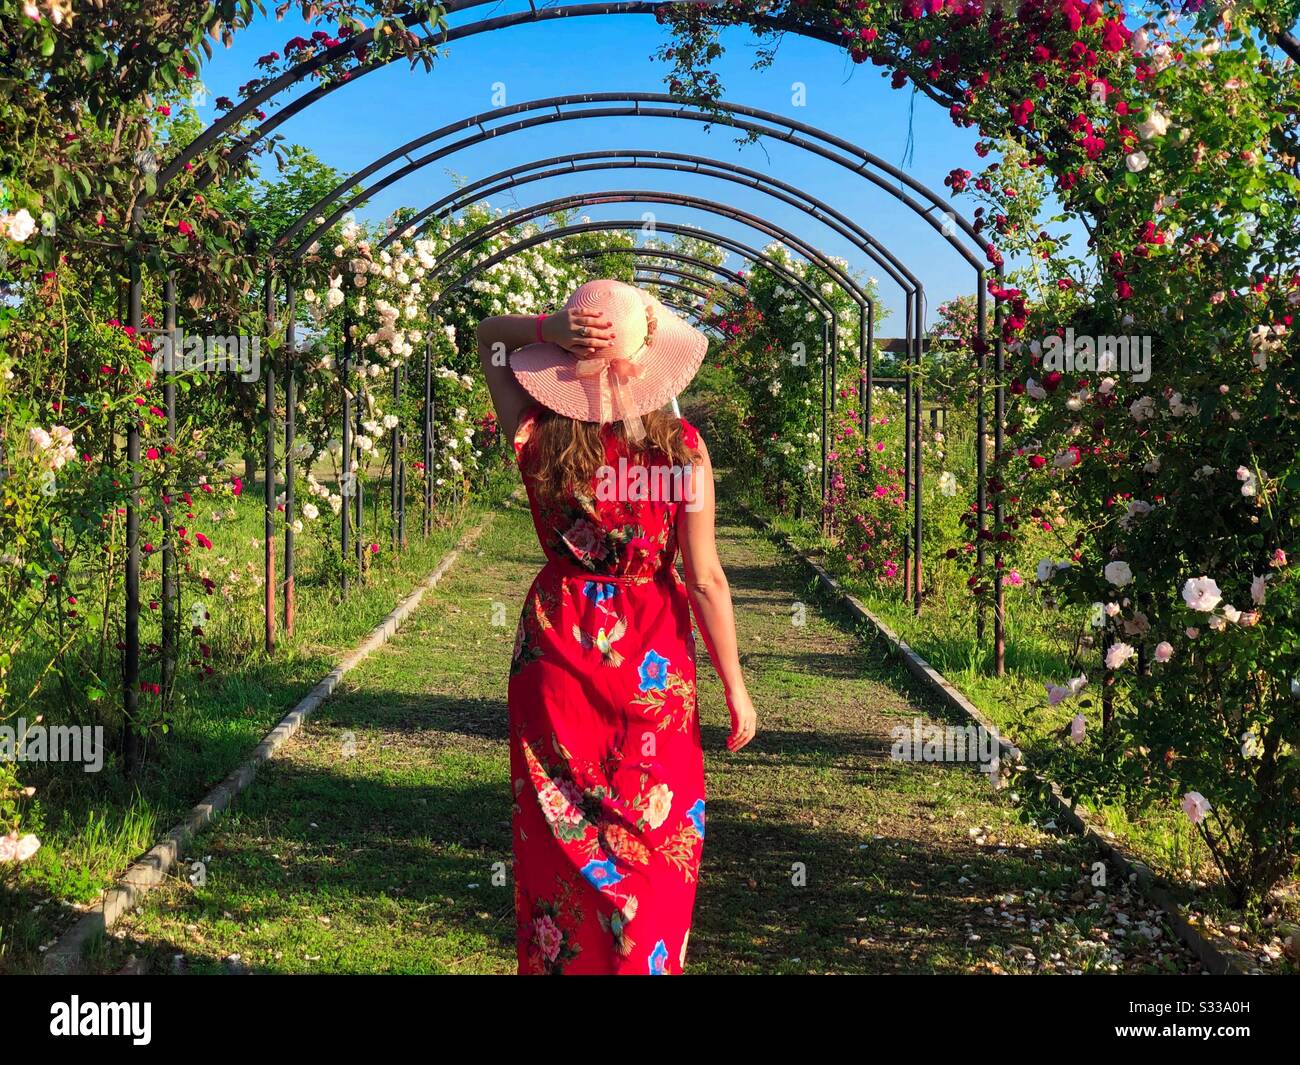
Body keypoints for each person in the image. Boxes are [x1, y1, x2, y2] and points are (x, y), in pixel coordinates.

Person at [475, 278, 757, 975]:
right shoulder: (683, 448)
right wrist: (737, 688)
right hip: (651, 665)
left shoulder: (536, 434)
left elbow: (490, 337)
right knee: (654, 848)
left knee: (559, 854)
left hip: (555, 651)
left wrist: (546, 324)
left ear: (564, 365)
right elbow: (705, 578)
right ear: (652, 362)